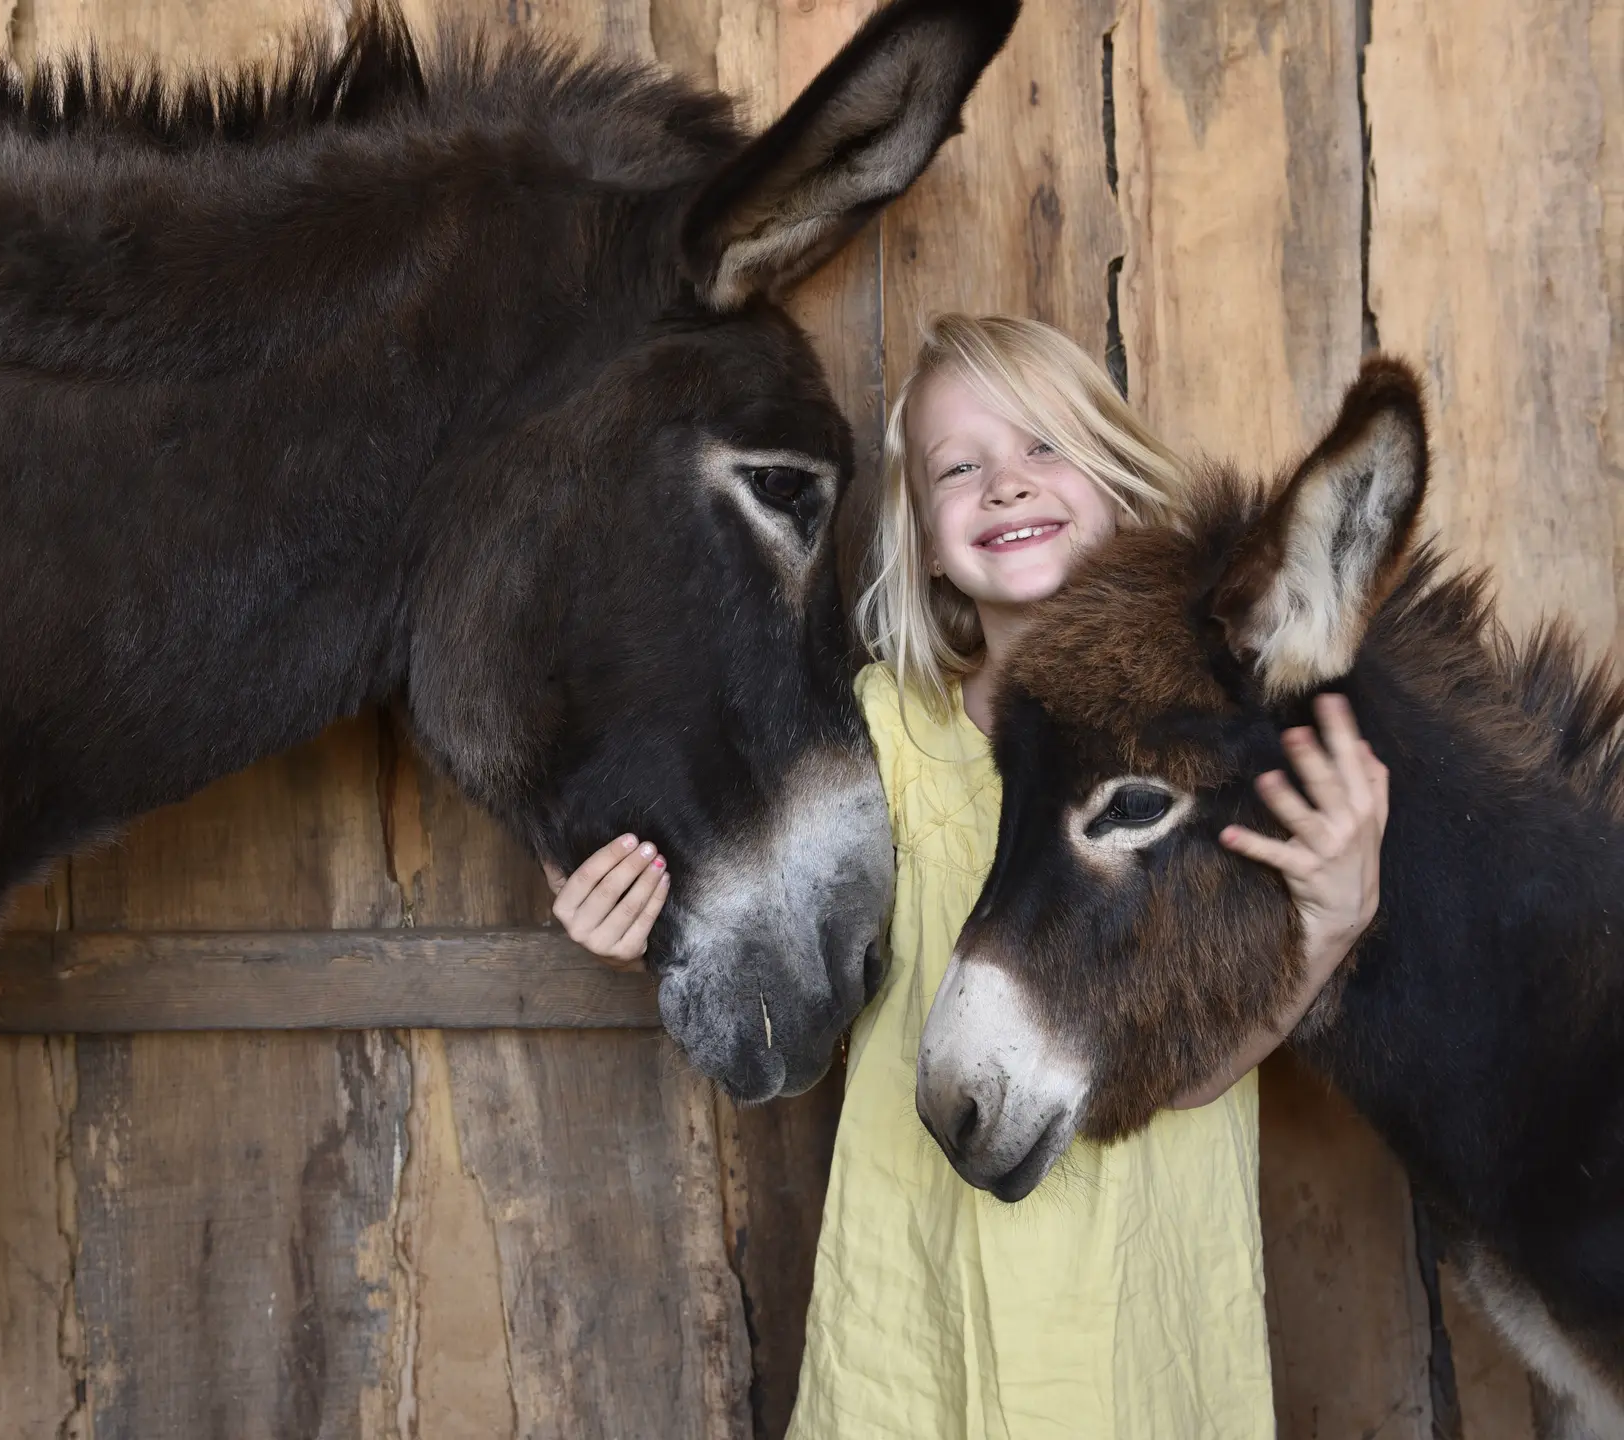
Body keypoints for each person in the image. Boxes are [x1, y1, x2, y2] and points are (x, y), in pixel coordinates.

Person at [543, 314, 1388, 1437]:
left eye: (1046, 447)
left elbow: (1196, 1072)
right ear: (928, 545)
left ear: (1121, 493)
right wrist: (635, 915)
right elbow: (766, 930)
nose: (1006, 483)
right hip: (920, 1285)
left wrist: (1334, 919)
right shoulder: (876, 737)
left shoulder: (1197, 760)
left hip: (1133, 1294)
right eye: (958, 468)